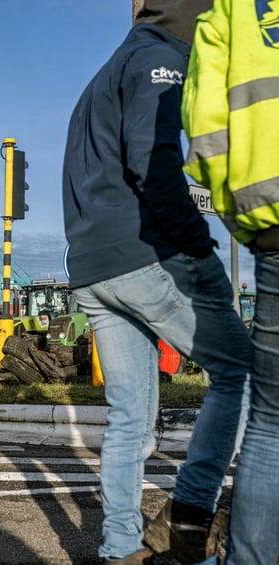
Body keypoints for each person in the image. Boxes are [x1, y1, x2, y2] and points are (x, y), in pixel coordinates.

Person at [61, 1, 253, 562]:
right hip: (141, 258)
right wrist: (197, 244)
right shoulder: (160, 60)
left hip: (91, 270)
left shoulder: (108, 71)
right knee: (237, 366)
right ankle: (191, 515)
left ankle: (121, 547)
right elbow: (156, 164)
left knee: (130, 419)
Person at [179, 2, 279, 563]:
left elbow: (206, 125)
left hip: (273, 223)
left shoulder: (232, 12)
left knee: (269, 425)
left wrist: (239, 212)